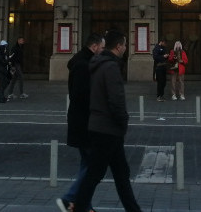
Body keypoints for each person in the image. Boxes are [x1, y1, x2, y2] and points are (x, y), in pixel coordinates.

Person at [65, 30, 144, 212]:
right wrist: (123, 121)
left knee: (120, 173)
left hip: (100, 126)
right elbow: (116, 100)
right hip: (108, 128)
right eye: (125, 45)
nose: (126, 48)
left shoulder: (96, 64)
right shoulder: (110, 67)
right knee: (96, 174)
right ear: (118, 46)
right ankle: (78, 207)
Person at [58, 33, 105, 212]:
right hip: (85, 122)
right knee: (93, 165)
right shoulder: (83, 66)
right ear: (94, 47)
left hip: (84, 121)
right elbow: (81, 96)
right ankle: (70, 198)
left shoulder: (84, 62)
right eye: (102, 48)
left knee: (88, 164)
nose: (103, 51)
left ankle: (84, 205)